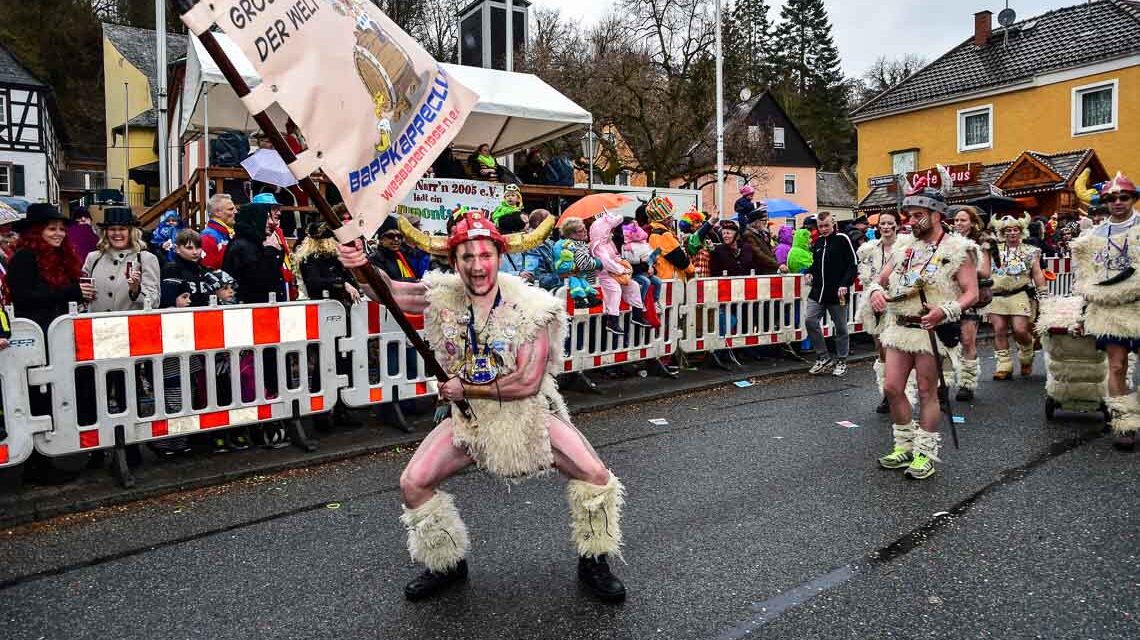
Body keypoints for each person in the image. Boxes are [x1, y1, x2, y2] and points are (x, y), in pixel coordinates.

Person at [337, 210, 628, 602]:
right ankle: (446, 564)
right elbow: (387, 291)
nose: (476, 266)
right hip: (468, 423)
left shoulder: (533, 307)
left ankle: (595, 562)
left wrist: (466, 389)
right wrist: (361, 266)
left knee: (595, 477)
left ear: (499, 254)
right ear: (454, 261)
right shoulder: (443, 294)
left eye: (485, 255)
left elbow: (526, 382)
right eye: (467, 257)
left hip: (528, 419)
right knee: (413, 483)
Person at [868, 181, 978, 480]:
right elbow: (881, 277)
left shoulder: (959, 249)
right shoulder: (905, 247)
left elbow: (971, 293)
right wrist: (876, 290)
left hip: (930, 329)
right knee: (892, 387)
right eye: (909, 216)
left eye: (918, 216)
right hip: (900, 326)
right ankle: (904, 446)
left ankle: (926, 453)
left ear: (936, 214)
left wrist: (946, 311)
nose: (911, 221)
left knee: (929, 391)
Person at [1071, 171, 1140, 451]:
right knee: (1116, 365)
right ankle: (1124, 423)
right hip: (1109, 310)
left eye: (1124, 197)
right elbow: (1085, 277)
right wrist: (1084, 310)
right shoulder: (1092, 237)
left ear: (1133, 199)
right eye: (1112, 198)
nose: (1118, 202)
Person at [988, 213, 1047, 380]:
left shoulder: (1030, 251)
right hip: (996, 295)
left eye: (1015, 230)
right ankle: (1004, 366)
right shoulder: (993, 250)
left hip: (1019, 293)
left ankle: (1027, 352)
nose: (1012, 233)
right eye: (1008, 230)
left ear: (1021, 232)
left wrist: (1043, 294)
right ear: (1002, 233)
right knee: (999, 330)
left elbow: (1037, 273)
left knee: (1020, 330)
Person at [858, 210, 902, 411]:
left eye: (889, 223)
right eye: (882, 223)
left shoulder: (905, 249)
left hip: (899, 305)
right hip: (876, 306)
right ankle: (887, 393)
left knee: (898, 351)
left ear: (897, 226)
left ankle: (901, 392)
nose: (885, 227)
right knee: (882, 351)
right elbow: (866, 278)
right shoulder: (869, 250)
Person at [804, 211, 858, 377]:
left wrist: (844, 284)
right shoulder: (819, 241)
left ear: (833, 224)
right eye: (820, 226)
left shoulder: (842, 239)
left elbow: (853, 264)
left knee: (840, 327)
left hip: (837, 292)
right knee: (810, 321)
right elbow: (816, 263)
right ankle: (823, 357)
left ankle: (842, 360)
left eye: (826, 225)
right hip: (818, 291)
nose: (824, 229)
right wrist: (809, 272)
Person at [80, 207, 161, 313]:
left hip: (131, 327)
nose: (117, 233)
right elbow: (81, 297)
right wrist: (82, 294)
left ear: (131, 232)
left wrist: (136, 290)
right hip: (97, 326)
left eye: (122, 229)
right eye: (112, 229)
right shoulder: (93, 258)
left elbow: (155, 301)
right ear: (106, 232)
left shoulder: (146, 259)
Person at [950, 206, 993, 401]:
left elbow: (985, 272)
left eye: (963, 220)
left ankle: (967, 383)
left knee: (967, 340)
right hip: (948, 294)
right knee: (946, 341)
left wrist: (962, 268)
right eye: (956, 220)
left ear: (973, 223)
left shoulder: (982, 242)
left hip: (970, 294)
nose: (958, 224)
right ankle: (943, 383)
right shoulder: (947, 241)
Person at [590, 210, 649, 336]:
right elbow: (606, 262)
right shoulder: (598, 246)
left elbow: (615, 256)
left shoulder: (608, 243)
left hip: (615, 272)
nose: (611, 232)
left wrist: (623, 263)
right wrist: (621, 269)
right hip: (604, 275)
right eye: (609, 229)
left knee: (633, 285)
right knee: (614, 289)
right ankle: (612, 321)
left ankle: (637, 314)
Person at [223, 200, 286, 304]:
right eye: (266, 218)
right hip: (251, 309)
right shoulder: (242, 246)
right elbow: (259, 280)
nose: (271, 222)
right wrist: (271, 251)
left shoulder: (257, 242)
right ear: (255, 219)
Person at [645, 196, 694, 281]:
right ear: (665, 219)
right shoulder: (663, 234)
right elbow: (679, 258)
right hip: (670, 281)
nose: (672, 219)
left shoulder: (652, 232)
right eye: (670, 216)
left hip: (659, 278)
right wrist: (692, 270)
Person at [621, 218, 662, 308]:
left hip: (645, 271)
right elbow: (628, 259)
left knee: (658, 282)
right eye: (633, 226)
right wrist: (641, 261)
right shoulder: (627, 246)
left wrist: (650, 266)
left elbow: (651, 257)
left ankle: (655, 301)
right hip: (634, 273)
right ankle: (641, 302)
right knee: (646, 282)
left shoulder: (644, 244)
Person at [521, 209, 560, 291]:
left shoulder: (549, 242)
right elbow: (536, 277)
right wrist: (561, 276)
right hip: (543, 295)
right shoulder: (532, 245)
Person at [369, 217, 418, 282]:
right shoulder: (375, 258)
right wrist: (413, 281)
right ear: (381, 240)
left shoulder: (403, 254)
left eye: (399, 236)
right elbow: (385, 282)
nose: (396, 239)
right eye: (391, 236)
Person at [200, 194, 237, 270]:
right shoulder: (208, 237)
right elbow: (208, 272)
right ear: (217, 213)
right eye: (231, 209)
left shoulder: (230, 233)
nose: (235, 212)